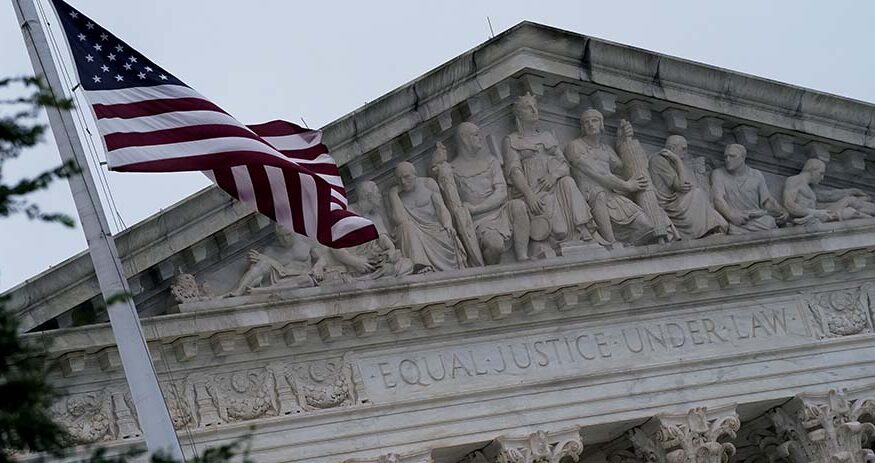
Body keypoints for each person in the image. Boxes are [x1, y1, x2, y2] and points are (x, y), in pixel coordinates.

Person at [503, 93, 594, 259]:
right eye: (527, 107)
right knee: (559, 230)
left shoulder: (548, 136)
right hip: (532, 192)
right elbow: (514, 171)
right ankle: (545, 242)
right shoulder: (511, 140)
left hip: (555, 186)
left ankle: (582, 229)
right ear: (518, 113)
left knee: (567, 181)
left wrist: (554, 175)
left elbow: (564, 164)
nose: (534, 110)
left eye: (535, 106)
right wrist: (529, 195)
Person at [564, 109, 654, 245]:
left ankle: (627, 249)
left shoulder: (606, 149)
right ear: (582, 127)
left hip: (612, 196)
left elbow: (623, 170)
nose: (590, 124)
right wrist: (627, 185)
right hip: (590, 197)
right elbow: (597, 173)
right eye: (585, 122)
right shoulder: (575, 146)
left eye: (594, 120)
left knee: (646, 225)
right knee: (598, 194)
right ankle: (611, 241)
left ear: (601, 124)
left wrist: (623, 142)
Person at [388, 162, 466, 272]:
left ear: (415, 174)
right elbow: (401, 220)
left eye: (406, 177)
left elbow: (441, 209)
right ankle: (421, 265)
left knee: (448, 235)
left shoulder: (427, 183)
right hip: (415, 234)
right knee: (407, 228)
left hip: (435, 229)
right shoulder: (397, 196)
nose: (403, 182)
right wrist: (393, 194)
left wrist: (447, 223)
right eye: (399, 179)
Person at [649, 135, 727, 239]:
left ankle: (709, 229)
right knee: (697, 194)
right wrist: (677, 160)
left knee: (721, 221)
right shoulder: (659, 160)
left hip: (680, 199)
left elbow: (687, 185)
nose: (685, 152)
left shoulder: (671, 161)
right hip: (669, 204)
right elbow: (682, 185)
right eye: (683, 149)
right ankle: (702, 233)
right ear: (672, 148)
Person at [711, 144, 788, 234]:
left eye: (732, 156)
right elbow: (717, 199)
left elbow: (766, 201)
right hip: (734, 221)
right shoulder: (718, 174)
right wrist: (731, 215)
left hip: (756, 218)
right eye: (725, 157)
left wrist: (782, 211)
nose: (728, 160)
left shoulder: (756, 175)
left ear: (743, 157)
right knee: (729, 228)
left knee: (769, 222)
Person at [226, 225, 315, 296]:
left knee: (306, 280)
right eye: (281, 237)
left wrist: (319, 267)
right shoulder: (270, 250)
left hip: (300, 279)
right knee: (263, 264)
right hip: (279, 279)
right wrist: (252, 262)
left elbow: (323, 258)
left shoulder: (306, 242)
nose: (285, 240)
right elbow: (256, 270)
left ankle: (262, 291)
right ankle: (238, 290)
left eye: (288, 234)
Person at [783, 158, 874, 224]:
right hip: (811, 216)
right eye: (821, 173)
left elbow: (829, 196)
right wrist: (815, 212)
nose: (822, 178)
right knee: (850, 206)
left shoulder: (810, 188)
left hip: (820, 213)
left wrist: (852, 191)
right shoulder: (795, 180)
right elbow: (789, 204)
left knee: (850, 200)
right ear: (811, 170)